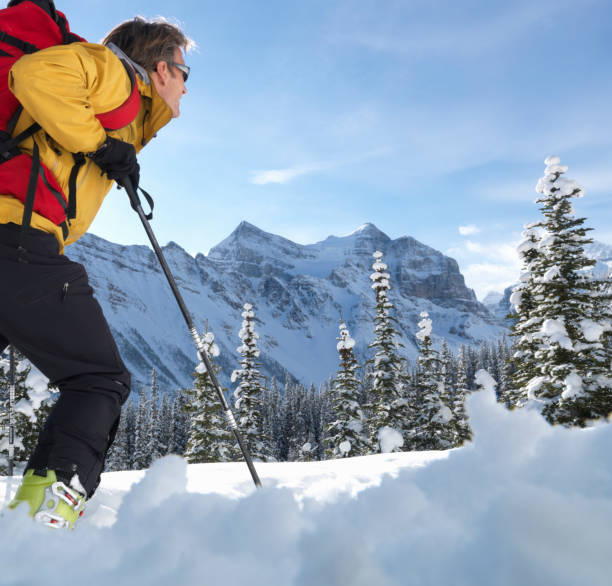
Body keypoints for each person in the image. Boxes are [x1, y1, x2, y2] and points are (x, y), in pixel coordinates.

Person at [0, 15, 192, 528]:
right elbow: (35, 77)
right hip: (17, 240)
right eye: (184, 72)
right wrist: (101, 145)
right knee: (98, 379)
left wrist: (111, 148)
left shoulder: (123, 112)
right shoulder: (114, 73)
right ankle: (45, 512)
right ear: (159, 67)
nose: (186, 85)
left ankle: (30, 515)